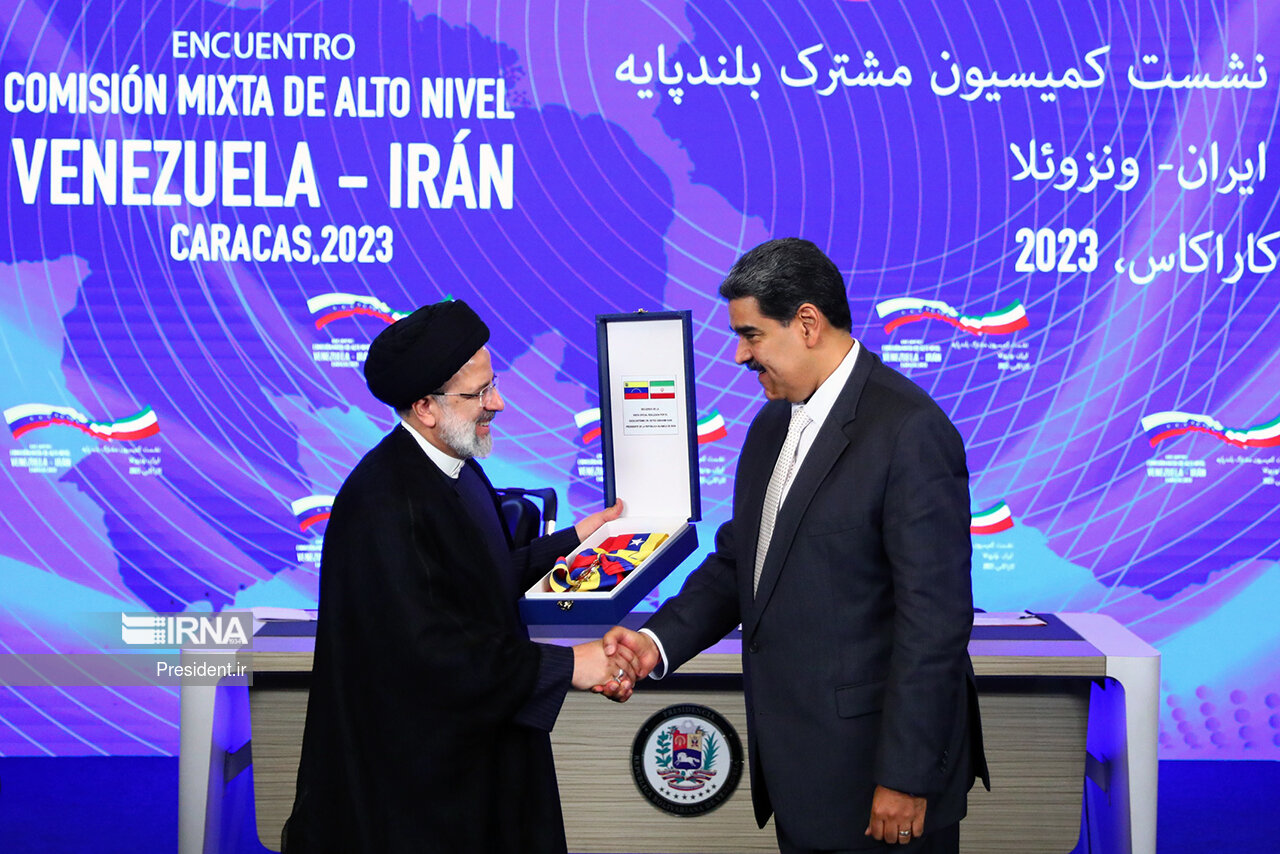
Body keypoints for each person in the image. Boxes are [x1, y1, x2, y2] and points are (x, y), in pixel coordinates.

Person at [605, 238, 988, 853]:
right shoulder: (769, 425)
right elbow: (742, 563)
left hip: (879, 782)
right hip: (802, 781)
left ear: (807, 323)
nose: (740, 354)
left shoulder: (910, 430)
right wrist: (655, 643)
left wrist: (905, 777)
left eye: (751, 335)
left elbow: (934, 624)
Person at [283, 299, 637, 854]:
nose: (498, 403)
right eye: (479, 393)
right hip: (420, 796)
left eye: (493, 384)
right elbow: (428, 652)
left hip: (475, 763)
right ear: (426, 406)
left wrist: (574, 540)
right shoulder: (383, 503)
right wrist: (570, 665)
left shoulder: (457, 468)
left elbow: (478, 579)